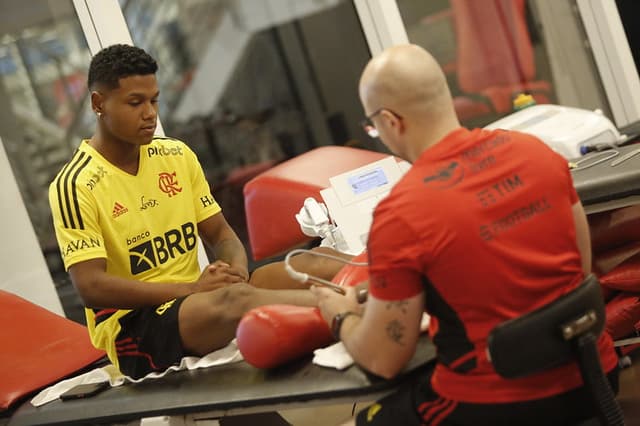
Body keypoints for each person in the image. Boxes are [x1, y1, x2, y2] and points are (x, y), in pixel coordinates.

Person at [311, 44, 619, 425]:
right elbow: (578, 269)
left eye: (373, 126)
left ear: (391, 121)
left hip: (496, 407)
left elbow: (383, 359)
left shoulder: (402, 212)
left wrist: (341, 316)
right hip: (594, 377)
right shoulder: (537, 153)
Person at [48, 44, 316, 379]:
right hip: (135, 326)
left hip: (199, 298)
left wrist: (237, 271)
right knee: (236, 301)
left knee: (308, 264)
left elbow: (220, 233)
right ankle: (350, 310)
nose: (150, 113)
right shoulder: (75, 184)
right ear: (99, 104)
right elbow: (91, 287)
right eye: (135, 102)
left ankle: (383, 292)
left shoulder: (175, 155)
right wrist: (192, 290)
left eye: (154, 100)